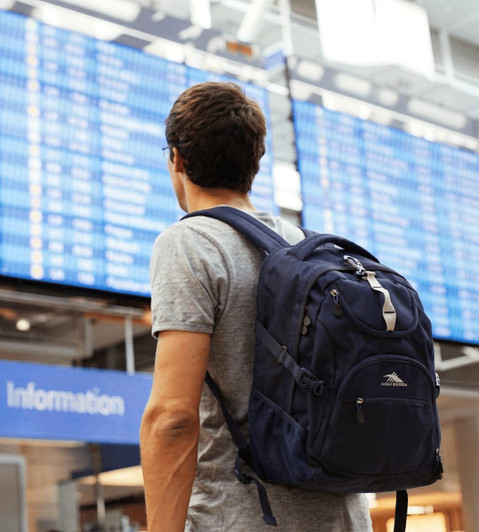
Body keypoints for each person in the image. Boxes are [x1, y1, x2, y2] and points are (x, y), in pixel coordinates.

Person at [140, 81, 372, 531]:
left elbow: (172, 417)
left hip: (245, 517)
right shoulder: (310, 247)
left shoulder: (190, 242)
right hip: (345, 517)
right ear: (256, 163)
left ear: (177, 160)